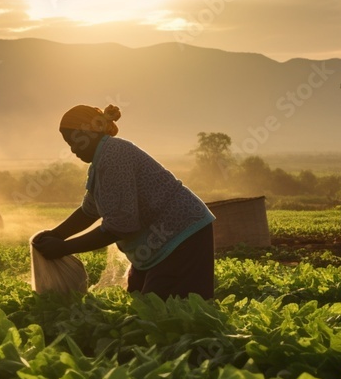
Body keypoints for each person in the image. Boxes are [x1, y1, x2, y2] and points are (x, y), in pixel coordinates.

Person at [32, 103, 216, 300]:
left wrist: (65, 248)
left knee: (165, 309)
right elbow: (89, 210)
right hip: (158, 243)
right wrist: (56, 234)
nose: (73, 149)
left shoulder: (113, 156)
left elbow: (121, 225)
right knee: (142, 302)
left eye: (75, 141)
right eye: (70, 144)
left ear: (90, 132)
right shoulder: (100, 161)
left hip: (181, 235)